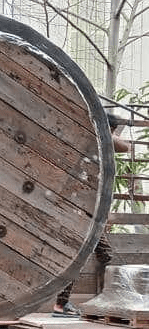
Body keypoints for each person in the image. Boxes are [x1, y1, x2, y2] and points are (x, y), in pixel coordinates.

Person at [53, 115, 131, 316]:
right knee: (80, 258)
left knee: (102, 254)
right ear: (110, 129)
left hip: (90, 212)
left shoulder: (97, 145)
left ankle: (77, 302)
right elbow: (125, 147)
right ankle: (61, 304)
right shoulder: (97, 138)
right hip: (83, 212)